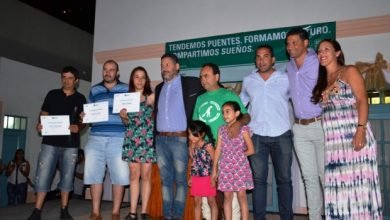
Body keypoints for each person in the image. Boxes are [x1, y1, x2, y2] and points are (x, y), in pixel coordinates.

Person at [312, 39, 382, 219]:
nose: (322, 53)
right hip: (334, 143)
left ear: (337, 53)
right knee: (338, 189)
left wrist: (361, 129)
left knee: (358, 187)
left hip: (353, 137)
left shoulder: (349, 71)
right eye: (319, 51)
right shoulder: (323, 80)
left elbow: (361, 101)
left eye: (326, 49)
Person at [240, 45, 293, 220]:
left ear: (273, 60)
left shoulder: (286, 79)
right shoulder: (248, 81)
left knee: (284, 180)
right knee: (258, 181)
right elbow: (241, 107)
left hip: (282, 134)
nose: (262, 60)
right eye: (258, 57)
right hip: (257, 136)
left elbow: (300, 99)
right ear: (255, 60)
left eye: (266, 56)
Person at [27, 66, 87, 220]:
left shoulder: (81, 99)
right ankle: (37, 211)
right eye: (64, 77)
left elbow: (84, 121)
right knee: (43, 176)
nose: (66, 81)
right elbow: (43, 114)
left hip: (71, 145)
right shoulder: (52, 94)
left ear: (76, 81)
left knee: (67, 177)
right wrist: (39, 124)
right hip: (49, 143)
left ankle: (64, 210)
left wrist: (78, 127)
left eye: (70, 78)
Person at [192, 62, 250, 220]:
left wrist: (238, 123)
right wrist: (192, 145)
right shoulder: (200, 99)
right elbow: (195, 126)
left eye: (206, 75)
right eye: (201, 76)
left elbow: (245, 115)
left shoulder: (229, 95)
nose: (202, 79)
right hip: (205, 152)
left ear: (217, 77)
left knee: (230, 191)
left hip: (227, 150)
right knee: (207, 192)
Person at [154, 53, 203, 219]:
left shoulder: (191, 83)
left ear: (177, 66)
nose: (164, 68)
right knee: (165, 180)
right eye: (162, 65)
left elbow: (212, 90)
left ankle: (177, 217)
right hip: (160, 140)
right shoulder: (159, 88)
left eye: (168, 64)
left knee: (181, 181)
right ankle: (167, 216)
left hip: (180, 139)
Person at [82, 59, 129, 220]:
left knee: (120, 176)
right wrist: (84, 116)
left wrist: (126, 116)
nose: (108, 72)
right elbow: (88, 114)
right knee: (94, 175)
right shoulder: (94, 90)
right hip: (95, 138)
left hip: (119, 138)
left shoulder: (126, 89)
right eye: (105, 69)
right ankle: (95, 212)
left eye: (111, 69)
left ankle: (115, 212)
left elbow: (131, 118)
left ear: (117, 73)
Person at [285, 27, 324, 219]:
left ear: (306, 43)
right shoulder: (289, 67)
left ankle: (334, 215)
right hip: (299, 128)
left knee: (326, 177)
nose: (290, 47)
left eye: (294, 43)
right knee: (309, 178)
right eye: (288, 43)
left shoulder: (318, 61)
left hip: (321, 125)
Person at [119, 66, 157, 220]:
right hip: (131, 140)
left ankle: (145, 211)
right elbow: (126, 123)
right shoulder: (125, 98)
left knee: (146, 176)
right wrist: (123, 116)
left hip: (147, 140)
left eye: (143, 77)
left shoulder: (152, 96)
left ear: (146, 80)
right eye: (136, 76)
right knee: (134, 176)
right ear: (132, 79)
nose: (140, 80)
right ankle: (133, 211)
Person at [211, 101, 254, 220]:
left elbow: (251, 150)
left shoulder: (244, 129)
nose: (224, 115)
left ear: (237, 113)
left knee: (242, 196)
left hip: (240, 166)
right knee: (227, 196)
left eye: (227, 111)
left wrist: (238, 156)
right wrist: (215, 169)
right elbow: (218, 150)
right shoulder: (221, 130)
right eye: (223, 112)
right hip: (225, 167)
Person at [188, 120, 218, 220]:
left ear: (202, 134)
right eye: (189, 134)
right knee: (197, 202)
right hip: (196, 177)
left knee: (211, 201)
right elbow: (194, 162)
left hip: (208, 177)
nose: (191, 137)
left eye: (194, 135)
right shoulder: (193, 145)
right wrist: (191, 177)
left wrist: (214, 177)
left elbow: (215, 162)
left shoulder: (208, 146)